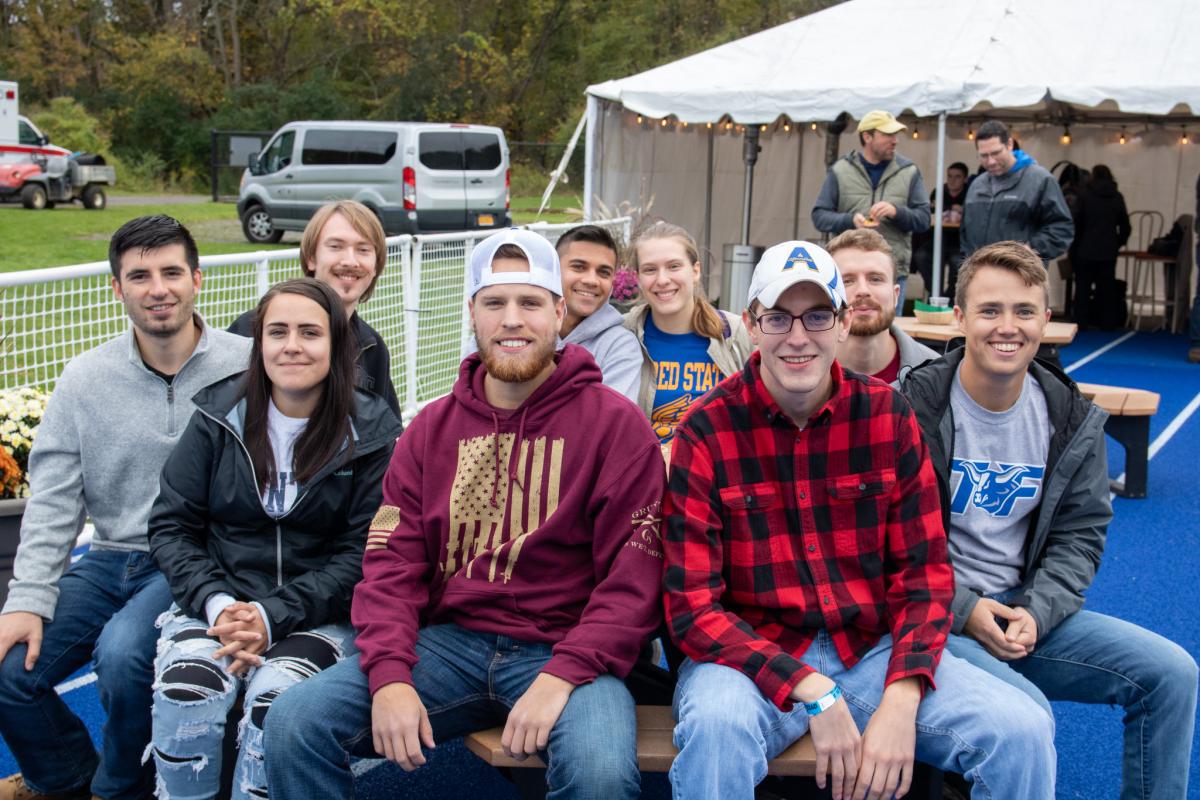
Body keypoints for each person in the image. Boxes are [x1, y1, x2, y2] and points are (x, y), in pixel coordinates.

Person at [262, 228, 667, 799]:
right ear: (471, 313)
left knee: (599, 773)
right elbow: (390, 563)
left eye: (529, 302)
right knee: (294, 723)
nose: (512, 320)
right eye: (494, 303)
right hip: (450, 644)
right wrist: (390, 676)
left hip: (568, 651)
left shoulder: (616, 426)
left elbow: (634, 581)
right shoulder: (431, 429)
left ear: (557, 312)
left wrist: (562, 676)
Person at [663, 239, 1056, 800]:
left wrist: (905, 689)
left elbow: (924, 574)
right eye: (778, 317)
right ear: (752, 324)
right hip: (751, 661)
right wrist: (808, 687)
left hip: (872, 649)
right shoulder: (706, 429)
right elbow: (692, 608)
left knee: (1022, 730)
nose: (798, 337)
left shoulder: (887, 415)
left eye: (818, 316)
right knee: (716, 731)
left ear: (843, 324)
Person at [902, 241, 1198, 800]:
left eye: (1024, 310)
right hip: (933, 615)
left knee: (1172, 675)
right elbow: (887, 539)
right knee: (1026, 714)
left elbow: (1080, 536)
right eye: (990, 311)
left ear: (1046, 319)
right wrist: (966, 608)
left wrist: (1036, 612)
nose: (1006, 327)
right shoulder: (911, 408)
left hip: (1023, 614)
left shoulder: (1072, 419)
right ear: (959, 318)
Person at [0, 215, 251, 800]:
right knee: (11, 672)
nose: (157, 288)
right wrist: (28, 599)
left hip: (193, 559)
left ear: (197, 279)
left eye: (170, 272)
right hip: (112, 556)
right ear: (117, 288)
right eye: (139, 275)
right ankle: (67, 783)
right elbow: (55, 497)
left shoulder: (249, 366)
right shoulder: (85, 378)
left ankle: (120, 788)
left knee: (122, 656)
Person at [146, 278, 400, 799]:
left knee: (275, 701)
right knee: (188, 688)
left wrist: (270, 616)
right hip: (219, 606)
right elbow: (172, 526)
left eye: (310, 332)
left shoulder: (372, 434)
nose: (291, 345)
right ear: (258, 343)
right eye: (277, 331)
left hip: (322, 615)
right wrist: (220, 606)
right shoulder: (217, 419)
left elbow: (363, 555)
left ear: (337, 345)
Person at [229, 200, 401, 420]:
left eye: (363, 249)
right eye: (336, 246)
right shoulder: (251, 330)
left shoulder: (372, 347)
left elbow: (385, 431)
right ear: (311, 257)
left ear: (376, 265)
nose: (350, 261)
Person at [622, 221, 751, 445]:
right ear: (639, 278)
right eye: (650, 269)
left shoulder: (736, 334)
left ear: (695, 271)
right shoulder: (623, 335)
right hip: (650, 476)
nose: (662, 280)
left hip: (717, 475)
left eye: (673, 266)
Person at [812, 110, 931, 311]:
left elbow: (924, 219)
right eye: (888, 135)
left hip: (890, 271)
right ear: (867, 136)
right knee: (844, 331)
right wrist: (850, 220)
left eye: (896, 135)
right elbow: (819, 216)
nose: (895, 141)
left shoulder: (909, 171)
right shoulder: (840, 170)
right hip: (846, 272)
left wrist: (897, 212)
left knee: (887, 333)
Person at [829, 228, 938, 384]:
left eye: (875, 279)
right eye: (847, 281)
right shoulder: (800, 375)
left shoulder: (937, 375)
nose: (863, 291)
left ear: (896, 295)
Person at [960, 121, 1074, 264]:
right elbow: (965, 233)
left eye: (996, 153)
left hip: (1021, 278)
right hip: (981, 276)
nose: (990, 162)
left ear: (1009, 144)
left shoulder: (1039, 180)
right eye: (984, 156)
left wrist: (1029, 250)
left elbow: (1061, 228)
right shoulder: (977, 185)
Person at [554, 224, 641, 401]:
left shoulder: (619, 346)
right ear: (553, 270)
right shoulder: (523, 328)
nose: (591, 280)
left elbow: (610, 421)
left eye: (603, 272)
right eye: (579, 267)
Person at [1071, 165, 1131, 329]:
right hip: (1108, 250)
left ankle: (1080, 322)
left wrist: (1075, 246)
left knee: (1082, 289)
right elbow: (1125, 226)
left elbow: (1076, 223)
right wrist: (1117, 243)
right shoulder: (1116, 196)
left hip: (1085, 249)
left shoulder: (1084, 195)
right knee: (1106, 289)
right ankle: (1107, 323)